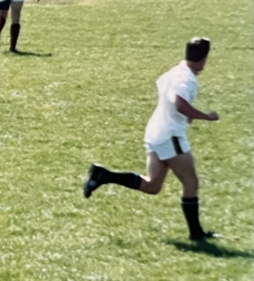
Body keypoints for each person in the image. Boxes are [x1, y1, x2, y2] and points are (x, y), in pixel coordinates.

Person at [83, 38, 220, 242]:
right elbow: (179, 104)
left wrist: (185, 114)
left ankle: (104, 175)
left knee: (153, 185)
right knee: (191, 182)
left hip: (156, 131)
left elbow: (168, 95)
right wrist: (205, 116)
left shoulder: (174, 71)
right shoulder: (187, 79)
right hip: (170, 136)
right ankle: (196, 234)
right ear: (204, 58)